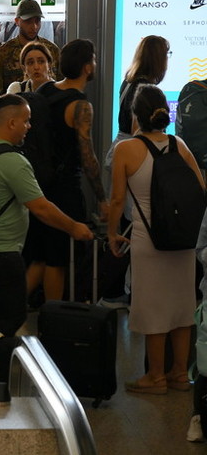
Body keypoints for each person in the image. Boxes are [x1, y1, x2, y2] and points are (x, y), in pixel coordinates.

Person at [0, 94, 94, 338]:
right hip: (3, 253)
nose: (29, 127)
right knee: (11, 317)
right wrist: (74, 227)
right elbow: (41, 208)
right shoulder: (13, 161)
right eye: (26, 121)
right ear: (12, 123)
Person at [107, 84, 201, 394]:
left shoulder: (126, 149)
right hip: (183, 240)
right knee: (182, 306)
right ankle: (179, 375)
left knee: (152, 306)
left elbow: (118, 199)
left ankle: (156, 376)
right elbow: (199, 189)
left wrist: (111, 233)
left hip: (148, 239)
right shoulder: (179, 144)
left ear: (136, 115)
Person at [24, 39, 107, 303]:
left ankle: (3, 313)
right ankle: (52, 320)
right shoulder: (80, 106)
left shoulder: (46, 89)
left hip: (37, 185)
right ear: (86, 67)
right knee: (56, 260)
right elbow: (88, 157)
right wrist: (102, 198)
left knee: (39, 257)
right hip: (63, 191)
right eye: (93, 59)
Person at [0, 0, 62, 94]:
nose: (34, 26)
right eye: (28, 21)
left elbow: (61, 86)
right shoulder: (2, 54)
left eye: (37, 21)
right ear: (17, 21)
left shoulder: (52, 50)